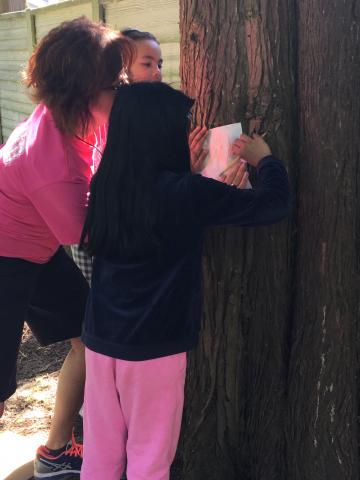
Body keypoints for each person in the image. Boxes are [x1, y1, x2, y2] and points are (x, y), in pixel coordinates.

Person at [79, 82, 290, 480]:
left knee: (101, 456)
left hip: (101, 339)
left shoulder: (107, 184)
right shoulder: (187, 193)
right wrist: (265, 162)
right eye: (184, 124)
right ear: (160, 132)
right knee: (150, 458)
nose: (188, 130)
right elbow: (274, 204)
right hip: (153, 348)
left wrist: (186, 175)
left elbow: (154, 202)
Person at [0, 17, 132, 479]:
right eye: (116, 82)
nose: (126, 88)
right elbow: (96, 239)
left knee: (87, 337)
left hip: (37, 242)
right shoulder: (52, 162)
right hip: (6, 257)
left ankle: (56, 452)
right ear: (83, 90)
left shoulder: (74, 117)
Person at [71, 27, 248, 283]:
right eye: (147, 63)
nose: (158, 72)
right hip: (107, 232)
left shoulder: (157, 112)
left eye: (160, 64)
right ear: (118, 68)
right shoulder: (109, 117)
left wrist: (184, 168)